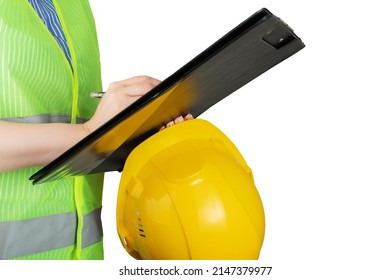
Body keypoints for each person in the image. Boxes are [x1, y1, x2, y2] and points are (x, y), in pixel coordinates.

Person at [0, 0, 190, 260]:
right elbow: (83, 132)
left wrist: (127, 133)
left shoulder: (73, 5)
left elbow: (79, 129)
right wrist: (88, 133)